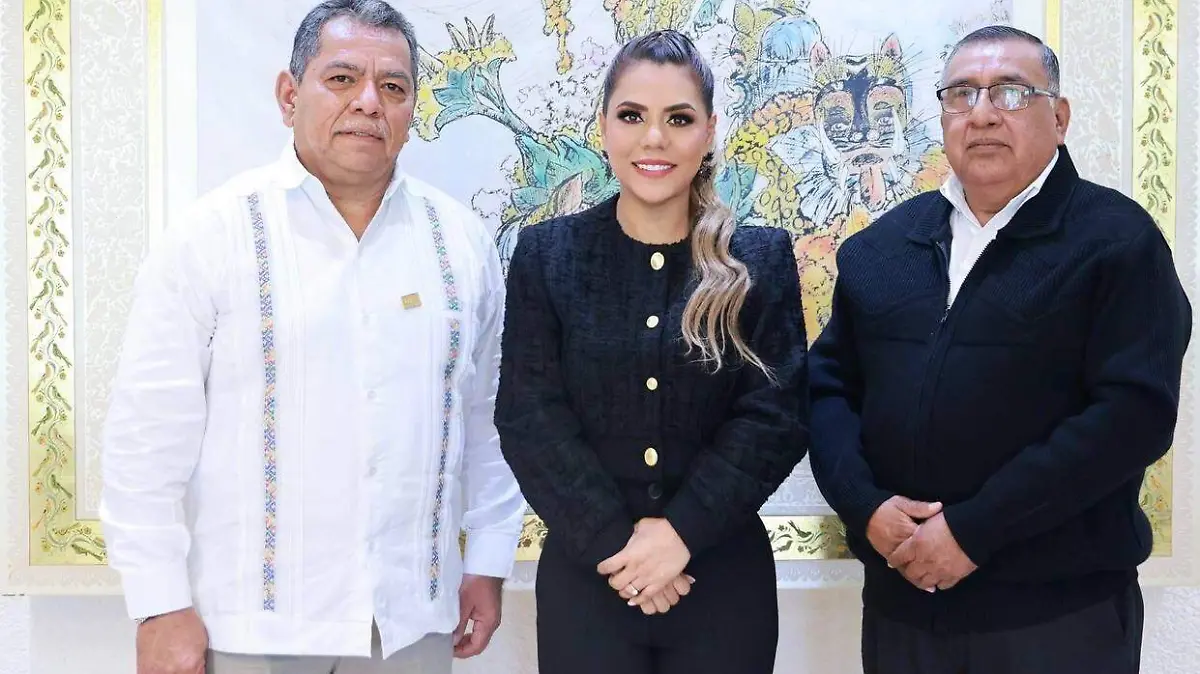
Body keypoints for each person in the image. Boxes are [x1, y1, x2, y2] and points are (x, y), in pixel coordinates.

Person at [100, 2, 526, 673]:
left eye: (393, 86)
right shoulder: (212, 236)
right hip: (250, 627)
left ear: (412, 110)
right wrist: (158, 604)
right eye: (341, 79)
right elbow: (146, 437)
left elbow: (489, 421)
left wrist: (489, 561)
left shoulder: (461, 245)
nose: (368, 102)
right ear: (289, 95)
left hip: (410, 624)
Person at [808, 25, 1192, 674]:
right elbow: (827, 390)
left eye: (1011, 92)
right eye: (961, 94)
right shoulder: (882, 247)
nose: (982, 113)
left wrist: (973, 530)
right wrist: (865, 506)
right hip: (904, 611)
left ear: (1059, 117)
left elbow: (1133, 416)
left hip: (1057, 618)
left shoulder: (1117, 243)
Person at [493, 29, 809, 674]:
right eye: (632, 116)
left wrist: (681, 533)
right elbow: (529, 415)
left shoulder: (761, 258)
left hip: (722, 581)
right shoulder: (547, 254)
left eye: (680, 119)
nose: (654, 138)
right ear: (604, 127)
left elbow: (775, 418)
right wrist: (621, 548)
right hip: (589, 579)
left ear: (710, 131)